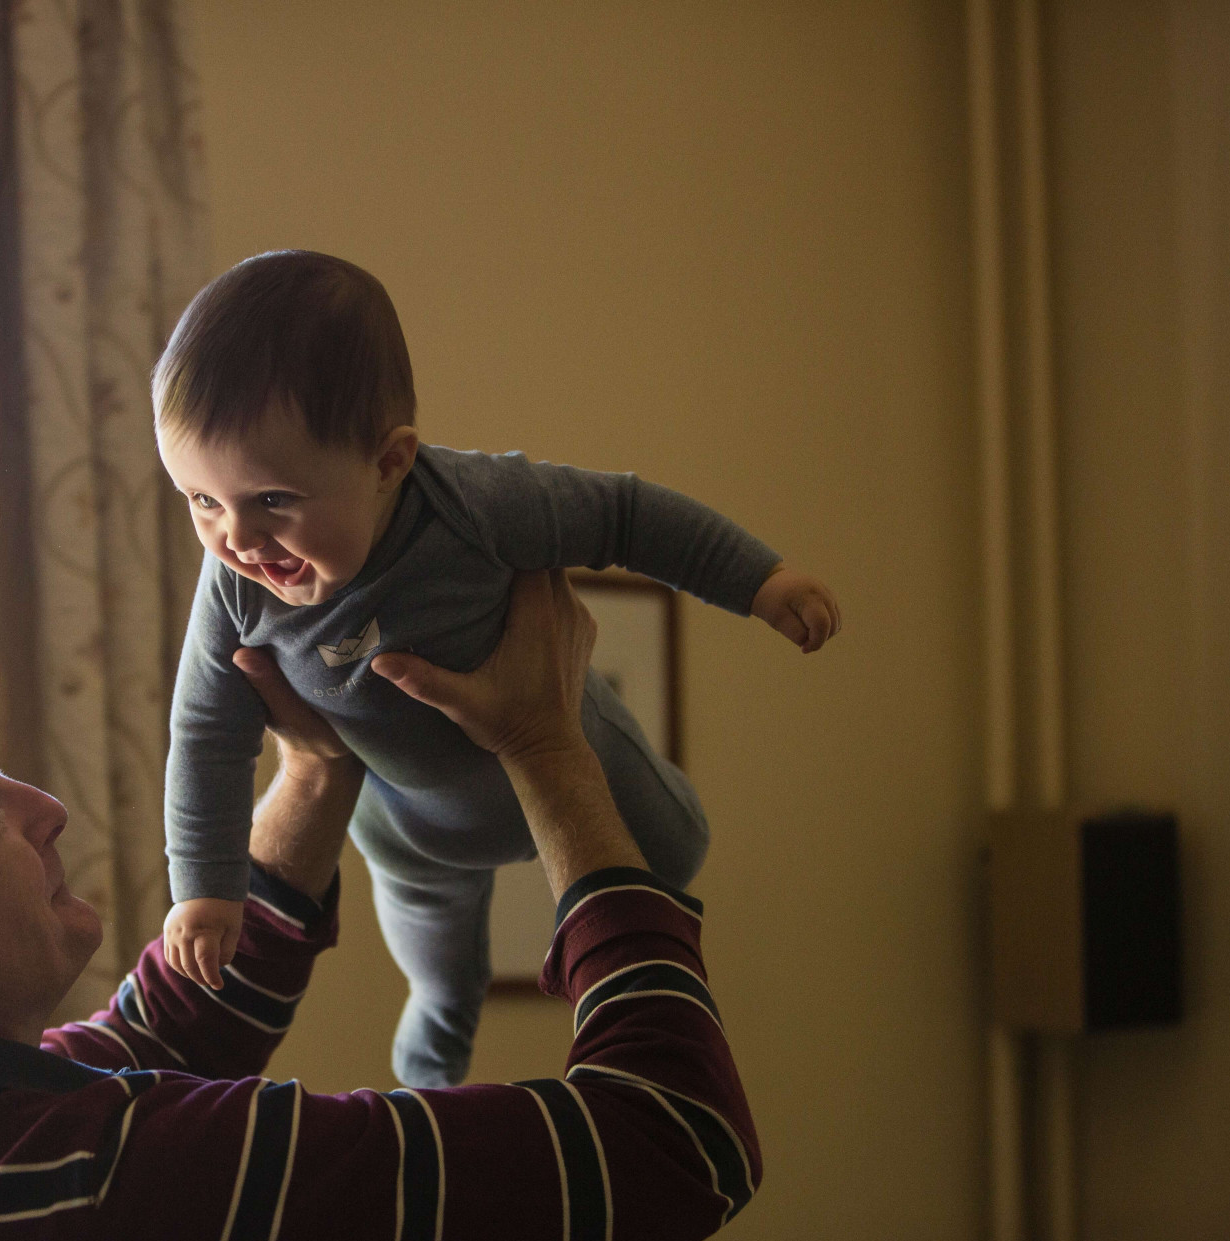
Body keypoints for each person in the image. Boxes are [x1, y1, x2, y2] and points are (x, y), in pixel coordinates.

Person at [0, 570, 761, 1241]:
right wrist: (547, 745)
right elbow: (675, 1138)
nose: (44, 808)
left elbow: (161, 1031)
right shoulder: (113, 1186)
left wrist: (317, 765)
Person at [156, 249, 842, 1085]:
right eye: (200, 500)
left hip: (572, 748)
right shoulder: (233, 588)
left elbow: (625, 515)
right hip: (413, 831)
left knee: (677, 851)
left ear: (388, 463)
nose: (237, 538)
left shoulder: (475, 505)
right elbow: (205, 733)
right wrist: (204, 887)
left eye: (273, 500)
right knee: (443, 979)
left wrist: (760, 581)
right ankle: (430, 1080)